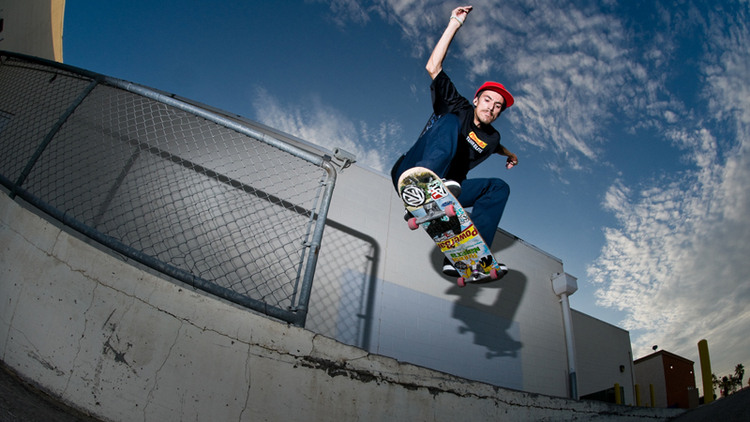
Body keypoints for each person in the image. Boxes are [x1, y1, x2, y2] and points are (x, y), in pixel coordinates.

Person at [391, 5, 518, 276]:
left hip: (448, 191)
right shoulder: (456, 105)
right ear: (476, 100)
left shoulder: (492, 138)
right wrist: (454, 24)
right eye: (487, 101)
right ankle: (424, 188)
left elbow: (495, 148)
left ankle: (470, 258)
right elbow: (432, 66)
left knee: (498, 187)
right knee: (448, 121)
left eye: (498, 107)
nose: (491, 108)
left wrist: (510, 155)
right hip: (412, 170)